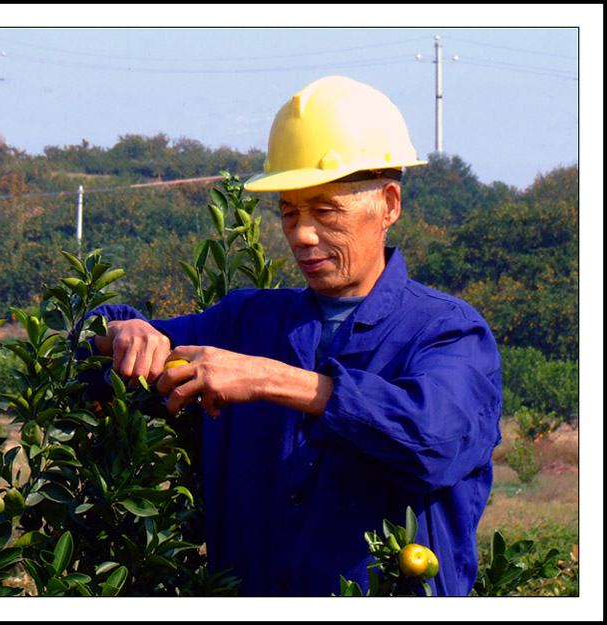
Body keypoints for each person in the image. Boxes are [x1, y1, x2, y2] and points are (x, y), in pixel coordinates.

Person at [90, 76, 502, 596]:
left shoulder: (449, 333)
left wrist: (273, 379)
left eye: (325, 211)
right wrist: (120, 333)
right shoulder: (245, 322)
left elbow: (433, 440)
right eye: (289, 212)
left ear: (389, 205)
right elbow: (87, 366)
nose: (302, 233)